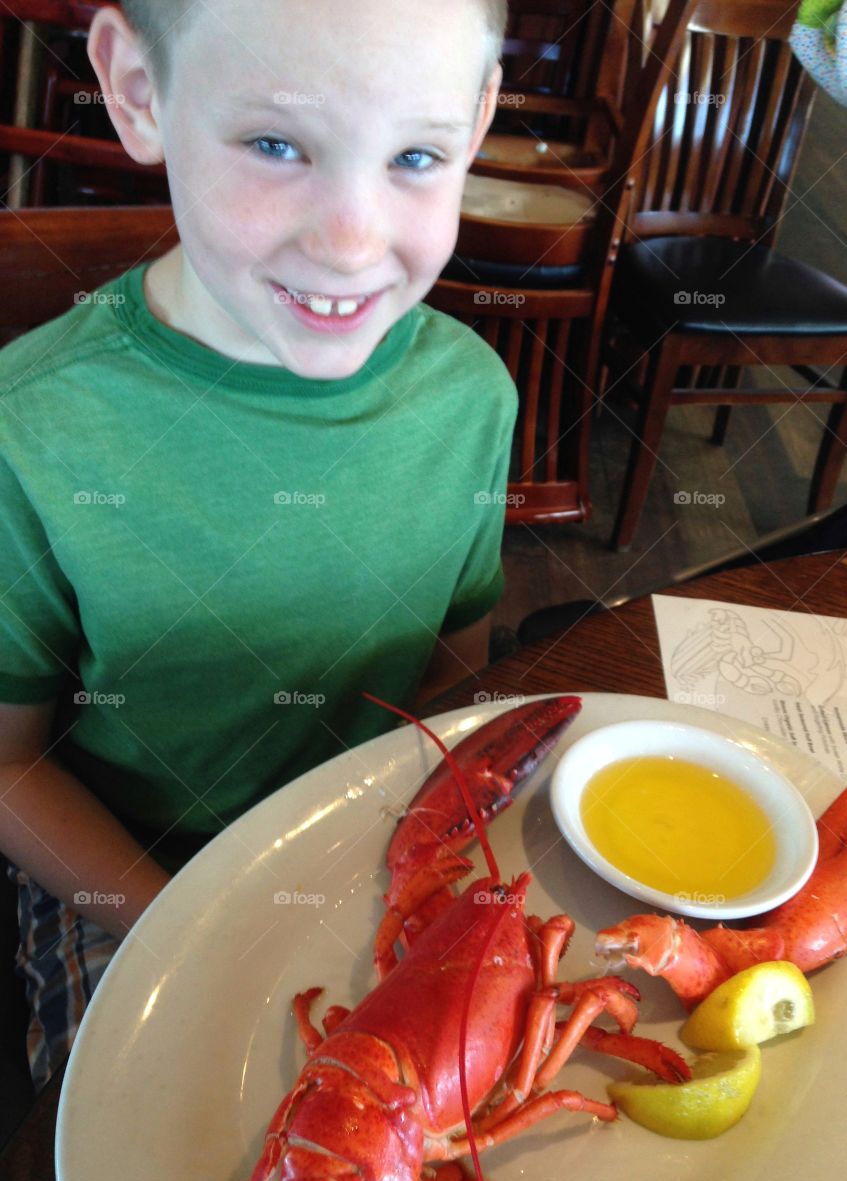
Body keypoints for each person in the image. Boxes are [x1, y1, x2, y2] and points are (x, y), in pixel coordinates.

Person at [0, 0, 515, 1088]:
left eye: (416, 155)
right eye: (277, 145)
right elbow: (10, 766)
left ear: (476, 123)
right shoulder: (31, 430)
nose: (351, 241)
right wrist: (194, 926)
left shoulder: (472, 395)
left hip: (380, 854)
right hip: (136, 867)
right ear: (137, 89)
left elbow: (455, 674)